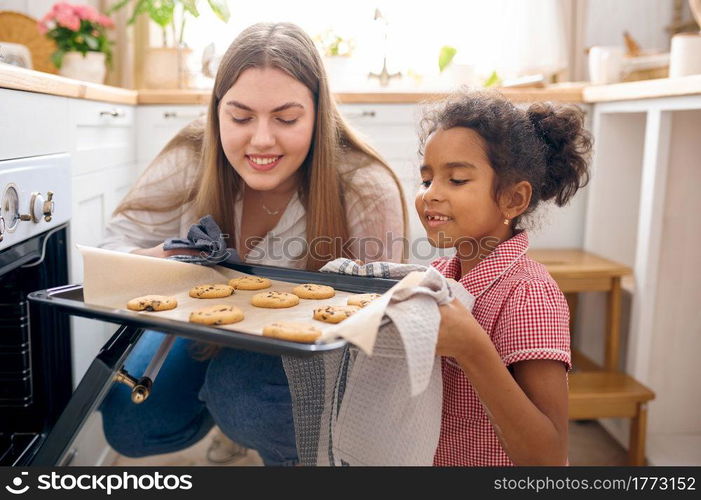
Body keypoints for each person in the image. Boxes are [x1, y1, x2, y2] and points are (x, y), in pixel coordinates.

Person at [99, 22, 406, 466]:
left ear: (318, 114)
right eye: (240, 118)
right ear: (217, 111)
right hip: (203, 329)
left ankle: (268, 434)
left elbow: (376, 332)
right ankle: (229, 413)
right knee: (131, 422)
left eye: (287, 118)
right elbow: (114, 250)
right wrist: (164, 259)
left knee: (244, 398)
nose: (261, 139)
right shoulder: (192, 154)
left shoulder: (363, 186)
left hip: (309, 352)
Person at [415, 91, 591, 465]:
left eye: (457, 179)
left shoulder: (528, 295)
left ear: (513, 200)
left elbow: (549, 458)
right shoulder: (440, 276)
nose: (432, 195)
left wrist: (472, 349)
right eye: (427, 180)